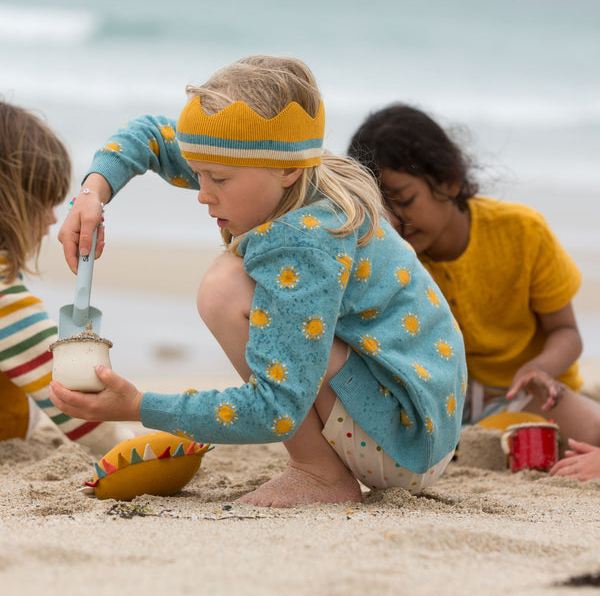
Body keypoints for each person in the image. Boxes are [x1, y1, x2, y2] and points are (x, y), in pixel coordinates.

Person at [49, 56, 467, 507]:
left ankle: (318, 474)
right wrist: (91, 194)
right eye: (198, 172)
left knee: (224, 288)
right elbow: (150, 133)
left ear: (287, 168)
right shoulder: (280, 170)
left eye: (219, 179)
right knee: (245, 291)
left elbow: (274, 410)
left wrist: (138, 405)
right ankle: (321, 467)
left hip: (403, 439)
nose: (202, 192)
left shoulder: (307, 242)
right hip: (419, 415)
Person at [347, 103, 600, 452]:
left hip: (530, 392)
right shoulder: (390, 256)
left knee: (592, 428)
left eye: (403, 200)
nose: (394, 220)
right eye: (380, 207)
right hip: (447, 398)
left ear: (449, 181)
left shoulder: (522, 231)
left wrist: (539, 370)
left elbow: (566, 332)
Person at [0, 100, 135, 452]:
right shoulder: (4, 299)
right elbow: (81, 414)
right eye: (42, 202)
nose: (50, 219)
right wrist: (141, 447)